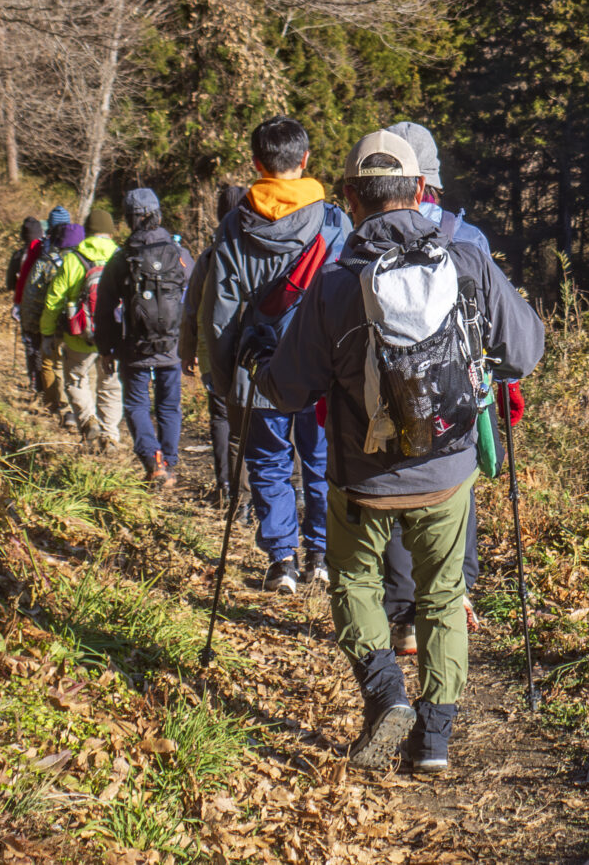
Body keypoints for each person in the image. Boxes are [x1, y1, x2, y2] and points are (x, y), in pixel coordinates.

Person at [246, 128, 545, 777]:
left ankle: (386, 693)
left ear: (350, 196)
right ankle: (434, 738)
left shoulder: (332, 286)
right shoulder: (467, 262)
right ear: (420, 193)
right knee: (441, 593)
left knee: (355, 581)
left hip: (363, 479)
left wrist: (257, 354)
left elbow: (286, 389)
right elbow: (524, 350)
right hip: (448, 471)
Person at [193, 118, 346, 594]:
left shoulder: (235, 225)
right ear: (305, 161)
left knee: (268, 462)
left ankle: (282, 559)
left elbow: (218, 314)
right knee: (320, 460)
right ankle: (321, 553)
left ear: (257, 163)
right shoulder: (333, 222)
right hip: (321, 369)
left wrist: (221, 379)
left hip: (259, 370)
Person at [377, 123, 492, 657]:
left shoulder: (358, 240)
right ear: (429, 183)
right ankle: (454, 593)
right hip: (455, 396)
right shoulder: (467, 240)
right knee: (454, 482)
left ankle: (402, 618)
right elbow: (493, 328)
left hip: (386, 394)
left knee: (398, 487)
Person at [96, 187, 192, 489]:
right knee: (169, 406)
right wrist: (192, 343)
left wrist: (106, 349)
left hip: (134, 347)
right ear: (158, 213)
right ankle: (170, 463)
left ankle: (153, 463)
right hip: (172, 345)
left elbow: (105, 307)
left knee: (137, 406)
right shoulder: (179, 253)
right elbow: (194, 298)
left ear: (129, 219)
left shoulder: (122, 258)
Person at [185, 180, 255, 513]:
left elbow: (191, 307)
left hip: (215, 352)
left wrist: (187, 351)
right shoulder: (262, 249)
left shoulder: (211, 254)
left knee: (223, 420)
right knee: (259, 425)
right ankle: (260, 493)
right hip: (256, 352)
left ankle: (228, 489)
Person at [41, 205, 121, 448]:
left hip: (78, 334)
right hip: (114, 335)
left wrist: (46, 334)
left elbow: (54, 300)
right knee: (110, 383)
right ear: (110, 231)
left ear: (87, 232)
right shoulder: (121, 257)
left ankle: (88, 422)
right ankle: (110, 436)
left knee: (76, 380)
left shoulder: (74, 259)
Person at [16, 206, 76, 413]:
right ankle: (69, 406)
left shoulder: (42, 250)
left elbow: (29, 285)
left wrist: (26, 316)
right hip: (77, 317)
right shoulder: (81, 250)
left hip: (46, 315)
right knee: (71, 365)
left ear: (49, 225)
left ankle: (52, 401)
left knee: (48, 360)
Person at [9, 214, 45, 394]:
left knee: (31, 344)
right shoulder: (47, 252)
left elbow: (9, 283)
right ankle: (46, 385)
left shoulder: (19, 255)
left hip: (25, 305)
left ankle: (35, 381)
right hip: (47, 306)